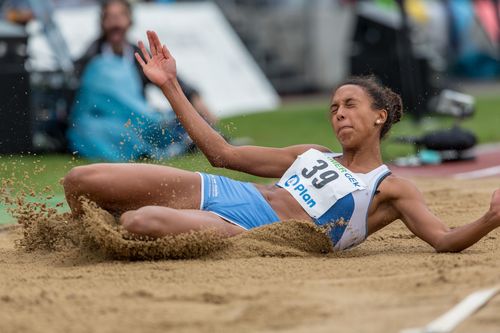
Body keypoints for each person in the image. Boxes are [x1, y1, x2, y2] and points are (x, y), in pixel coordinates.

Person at [63, 31, 500, 252]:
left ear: (379, 116)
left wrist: (490, 219)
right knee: (81, 180)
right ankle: (75, 240)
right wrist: (171, 85)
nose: (340, 114)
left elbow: (443, 239)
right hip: (228, 192)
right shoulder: (309, 153)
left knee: (138, 223)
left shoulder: (390, 188)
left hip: (252, 230)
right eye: (333, 108)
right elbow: (222, 154)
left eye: (350, 105)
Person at [68, 0, 217, 161]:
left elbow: (170, 79)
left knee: (174, 122)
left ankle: (209, 141)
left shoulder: (138, 54)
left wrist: (195, 97)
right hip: (107, 123)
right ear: (102, 22)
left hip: (140, 120)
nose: (115, 22)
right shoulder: (90, 57)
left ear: (129, 21)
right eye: (110, 17)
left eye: (120, 16)